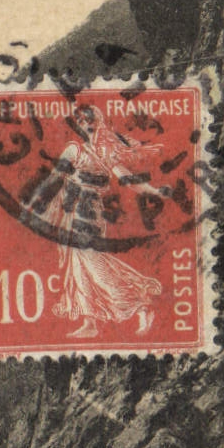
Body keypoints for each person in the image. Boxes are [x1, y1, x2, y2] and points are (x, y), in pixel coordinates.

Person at [45, 105, 169, 339]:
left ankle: (141, 305)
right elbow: (54, 178)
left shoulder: (105, 153)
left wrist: (155, 192)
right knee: (78, 267)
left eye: (88, 120)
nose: (84, 124)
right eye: (79, 120)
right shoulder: (74, 150)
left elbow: (129, 181)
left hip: (90, 213)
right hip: (71, 210)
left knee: (94, 264)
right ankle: (90, 322)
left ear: (97, 122)